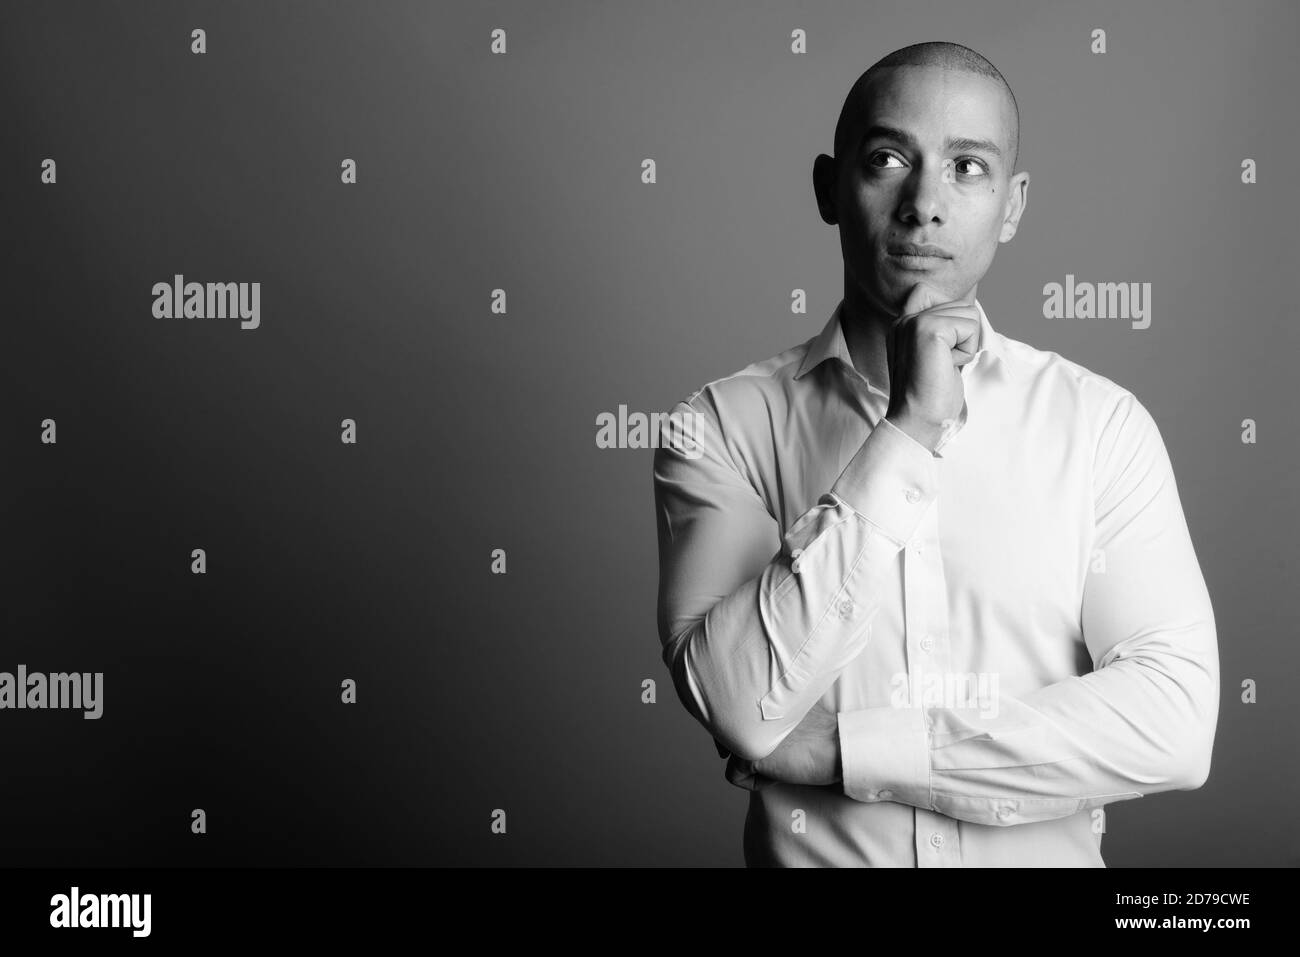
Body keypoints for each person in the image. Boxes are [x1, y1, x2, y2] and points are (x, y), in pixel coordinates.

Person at [651, 41, 1219, 867]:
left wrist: (850, 751)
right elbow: (740, 705)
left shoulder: (1100, 426)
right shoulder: (723, 426)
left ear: (1013, 206)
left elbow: (1173, 724)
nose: (924, 204)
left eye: (968, 168)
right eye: (887, 159)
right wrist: (906, 432)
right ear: (828, 188)